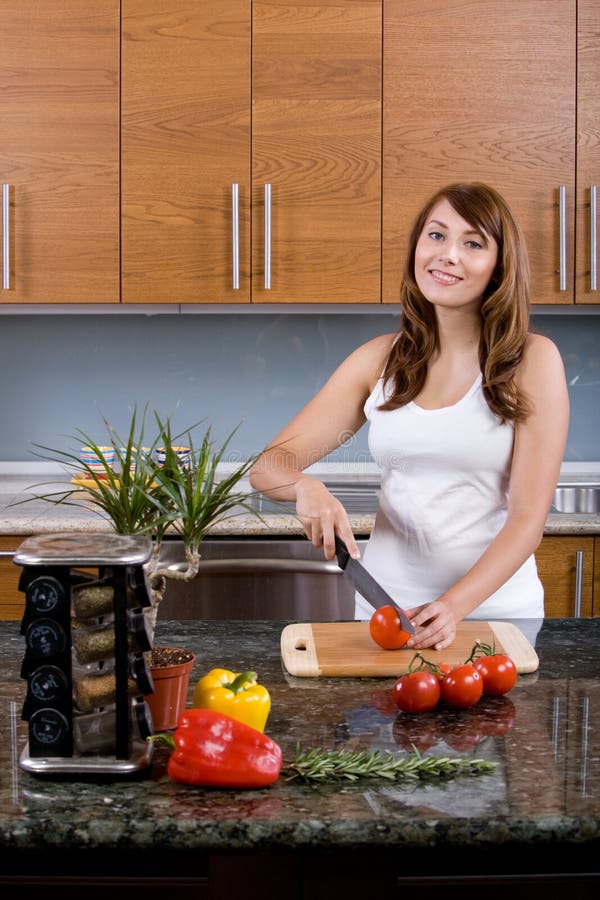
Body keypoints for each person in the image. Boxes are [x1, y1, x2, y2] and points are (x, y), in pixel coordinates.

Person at [249, 182, 569, 651]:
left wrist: (453, 606)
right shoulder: (378, 360)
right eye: (436, 236)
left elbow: (527, 519)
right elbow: (268, 466)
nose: (448, 255)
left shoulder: (532, 361)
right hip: (386, 613)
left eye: (473, 243)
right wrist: (306, 488)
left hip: (493, 617)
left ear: (499, 266)